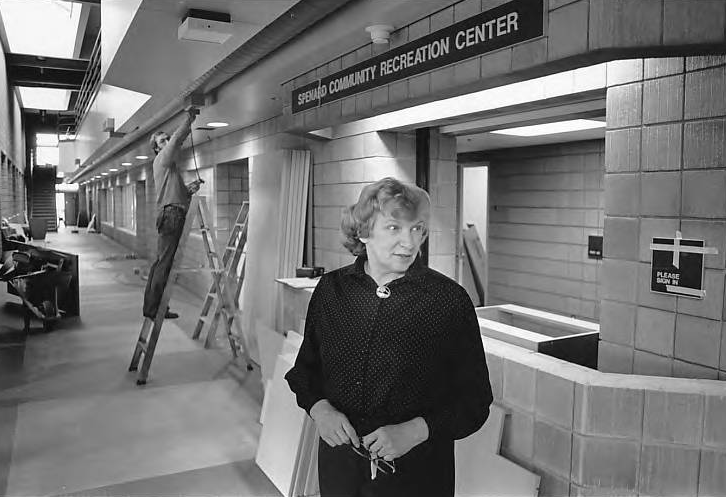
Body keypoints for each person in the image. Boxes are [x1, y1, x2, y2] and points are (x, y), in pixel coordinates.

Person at [286, 177, 493, 497]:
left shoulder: (448, 301)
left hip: (417, 476)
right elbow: (305, 372)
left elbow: (475, 401)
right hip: (342, 470)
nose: (410, 243)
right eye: (395, 228)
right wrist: (320, 410)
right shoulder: (332, 291)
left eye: (418, 229)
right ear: (364, 230)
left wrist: (416, 430)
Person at [142, 108, 203, 319]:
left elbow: (176, 194)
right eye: (162, 142)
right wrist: (189, 119)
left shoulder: (170, 168)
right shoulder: (162, 161)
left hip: (171, 213)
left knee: (161, 263)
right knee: (164, 264)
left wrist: (189, 189)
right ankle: (153, 309)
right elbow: (177, 140)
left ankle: (153, 307)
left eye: (167, 139)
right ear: (157, 150)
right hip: (172, 216)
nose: (167, 142)